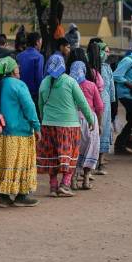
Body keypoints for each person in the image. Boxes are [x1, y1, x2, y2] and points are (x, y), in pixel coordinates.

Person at [0, 56, 41, 207]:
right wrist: (36, 127)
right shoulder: (19, 85)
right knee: (20, 163)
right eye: (17, 67)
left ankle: (4, 197)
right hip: (18, 133)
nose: (19, 69)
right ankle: (21, 196)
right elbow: (29, 108)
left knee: (5, 163)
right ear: (11, 70)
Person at [37, 53, 96, 196]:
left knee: (52, 155)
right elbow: (82, 102)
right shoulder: (70, 82)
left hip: (48, 125)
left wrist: (43, 120)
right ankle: (65, 184)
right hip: (69, 126)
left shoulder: (44, 82)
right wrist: (90, 120)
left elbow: (40, 104)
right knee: (70, 154)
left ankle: (53, 187)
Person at [69, 58, 103, 188]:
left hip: (72, 120)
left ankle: (72, 180)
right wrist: (99, 125)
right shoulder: (91, 85)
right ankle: (86, 180)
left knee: (74, 150)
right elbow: (99, 107)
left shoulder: (69, 85)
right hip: (90, 121)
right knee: (91, 149)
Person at [87, 38, 114, 174]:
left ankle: (101, 161)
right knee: (97, 130)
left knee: (105, 129)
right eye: (105, 51)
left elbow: (111, 87)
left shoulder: (107, 67)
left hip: (106, 103)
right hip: (96, 103)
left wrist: (112, 100)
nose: (107, 54)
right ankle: (93, 163)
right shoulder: (93, 69)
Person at [112, 50, 132, 155]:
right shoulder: (128, 60)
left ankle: (129, 141)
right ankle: (120, 144)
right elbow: (116, 75)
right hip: (124, 94)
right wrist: (129, 84)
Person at [17, 32, 45, 100]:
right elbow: (39, 78)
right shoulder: (39, 57)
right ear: (37, 42)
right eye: (41, 41)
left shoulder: (19, 56)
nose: (41, 44)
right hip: (32, 94)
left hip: (19, 91)